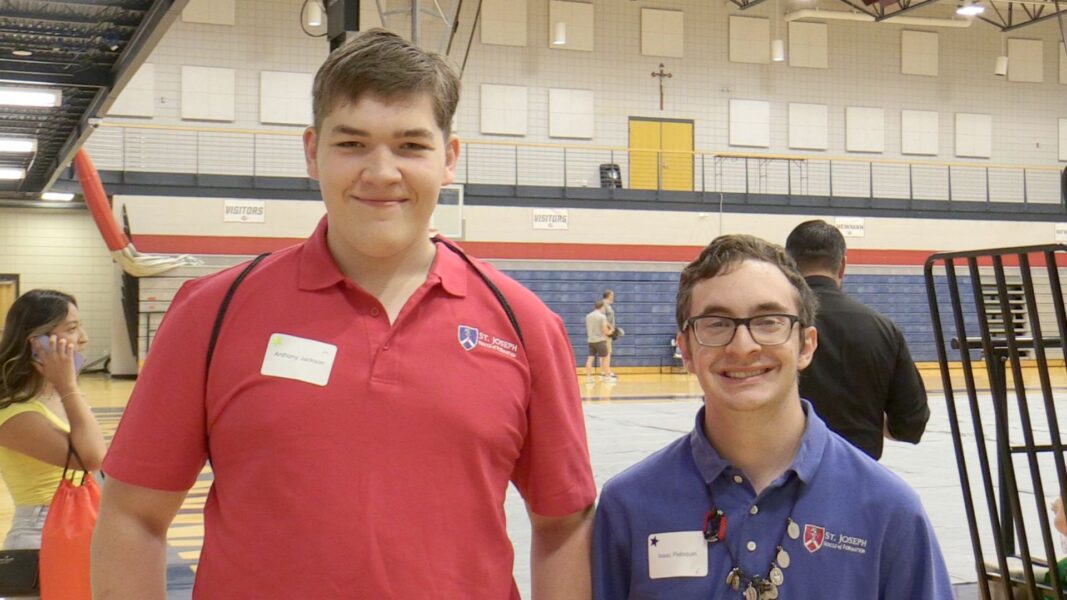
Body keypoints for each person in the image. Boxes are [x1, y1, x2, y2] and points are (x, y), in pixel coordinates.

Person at [92, 29, 596, 599]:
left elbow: (564, 524)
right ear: (312, 151)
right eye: (352, 143)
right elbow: (133, 515)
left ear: (449, 159)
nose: (381, 173)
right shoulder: (211, 313)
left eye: (411, 145)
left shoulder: (525, 325)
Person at [592, 234, 953, 599]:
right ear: (686, 349)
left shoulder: (888, 509)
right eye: (716, 323)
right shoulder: (629, 505)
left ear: (806, 345)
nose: (743, 346)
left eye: (769, 321)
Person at [785, 219, 929, 460]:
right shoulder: (884, 329)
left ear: (788, 266)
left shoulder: (770, 326)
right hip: (859, 476)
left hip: (783, 478)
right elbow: (910, 424)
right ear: (842, 266)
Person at [0, 289, 105, 554]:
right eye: (71, 329)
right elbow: (91, 457)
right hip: (41, 531)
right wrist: (68, 384)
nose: (83, 338)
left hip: (82, 517)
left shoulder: (58, 396)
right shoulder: (14, 412)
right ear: (38, 343)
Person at [586, 299, 614, 380]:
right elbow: (605, 331)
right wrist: (611, 331)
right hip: (600, 341)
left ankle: (589, 377)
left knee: (590, 358)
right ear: (602, 307)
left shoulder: (588, 316)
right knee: (605, 358)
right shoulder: (602, 317)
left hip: (591, 340)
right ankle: (606, 376)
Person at [602, 289, 622, 378]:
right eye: (612, 295)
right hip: (606, 332)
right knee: (607, 352)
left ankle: (604, 370)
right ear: (609, 295)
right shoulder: (604, 305)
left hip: (609, 331)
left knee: (606, 352)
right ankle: (607, 372)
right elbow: (602, 318)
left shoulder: (608, 305)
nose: (613, 297)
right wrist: (610, 328)